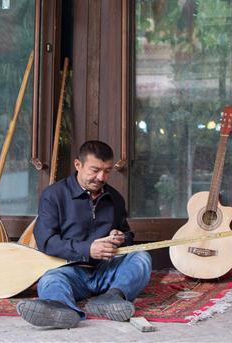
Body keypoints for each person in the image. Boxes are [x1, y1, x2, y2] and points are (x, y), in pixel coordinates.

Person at [17, 140, 151, 329]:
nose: (101, 177)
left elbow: (127, 234)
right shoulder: (53, 195)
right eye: (94, 170)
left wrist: (121, 236)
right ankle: (62, 309)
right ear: (78, 165)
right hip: (70, 271)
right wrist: (88, 249)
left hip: (106, 270)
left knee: (141, 257)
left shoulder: (115, 198)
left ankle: (112, 298)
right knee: (50, 279)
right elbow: (46, 241)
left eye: (107, 171)